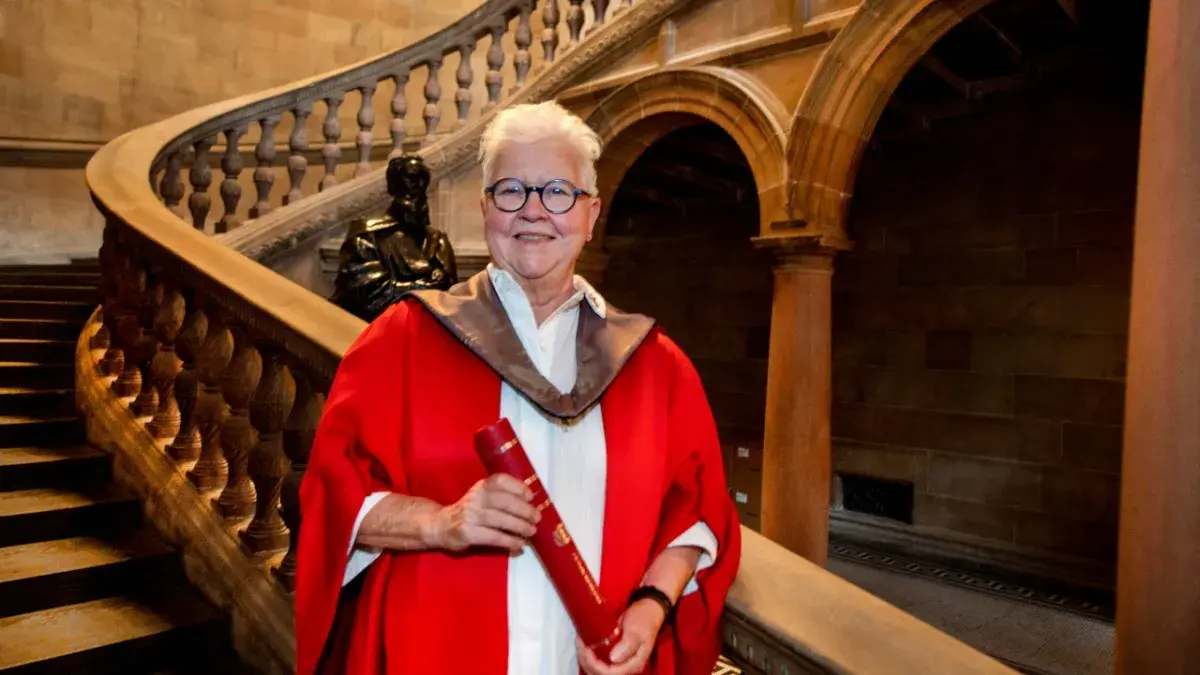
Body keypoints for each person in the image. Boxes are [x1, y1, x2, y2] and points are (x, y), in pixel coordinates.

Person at [295, 100, 741, 675]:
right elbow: (334, 496)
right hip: (436, 653)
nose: (534, 212)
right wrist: (441, 521)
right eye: (511, 191)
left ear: (591, 213)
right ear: (485, 208)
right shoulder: (402, 340)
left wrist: (652, 610)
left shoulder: (655, 366)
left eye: (558, 192)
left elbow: (696, 509)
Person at [329, 154, 458, 321]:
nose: (418, 186)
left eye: (423, 179)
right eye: (411, 178)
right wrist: (423, 286)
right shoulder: (367, 235)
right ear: (393, 185)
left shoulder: (436, 240)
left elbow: (448, 291)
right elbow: (367, 295)